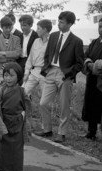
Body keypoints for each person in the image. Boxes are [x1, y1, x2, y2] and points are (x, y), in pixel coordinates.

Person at [36, 11, 84, 143]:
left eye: (62, 22)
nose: (59, 24)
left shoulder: (77, 41)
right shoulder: (53, 36)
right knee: (43, 103)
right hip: (51, 71)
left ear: (70, 24)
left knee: (64, 106)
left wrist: (69, 74)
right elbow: (48, 54)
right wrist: (46, 67)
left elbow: (79, 63)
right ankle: (47, 130)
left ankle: (62, 133)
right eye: (58, 21)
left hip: (65, 75)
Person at [0, 62, 31, 171]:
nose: (8, 78)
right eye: (6, 75)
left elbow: (28, 106)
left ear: (19, 77)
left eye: (11, 76)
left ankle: (14, 169)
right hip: (4, 121)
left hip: (18, 123)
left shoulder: (22, 91)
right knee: (2, 146)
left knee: (16, 147)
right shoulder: (1, 90)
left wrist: (26, 121)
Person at [0, 16, 21, 108]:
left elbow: (17, 54)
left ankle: (10, 111)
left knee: (11, 91)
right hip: (0, 69)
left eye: (10, 27)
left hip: (12, 68)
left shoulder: (16, 39)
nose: (8, 30)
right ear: (1, 27)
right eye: (6, 28)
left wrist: (3, 53)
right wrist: (10, 55)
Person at [81, 18, 102, 141]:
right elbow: (86, 56)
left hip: (101, 81)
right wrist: (88, 63)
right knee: (91, 105)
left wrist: (97, 66)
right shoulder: (95, 42)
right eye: (99, 26)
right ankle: (91, 132)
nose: (101, 29)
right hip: (92, 80)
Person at [23, 19, 52, 97]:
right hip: (34, 72)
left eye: (38, 28)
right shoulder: (36, 41)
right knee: (23, 93)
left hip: (46, 74)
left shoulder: (52, 42)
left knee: (45, 99)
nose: (36, 30)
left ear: (45, 29)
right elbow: (30, 58)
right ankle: (25, 109)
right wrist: (26, 73)